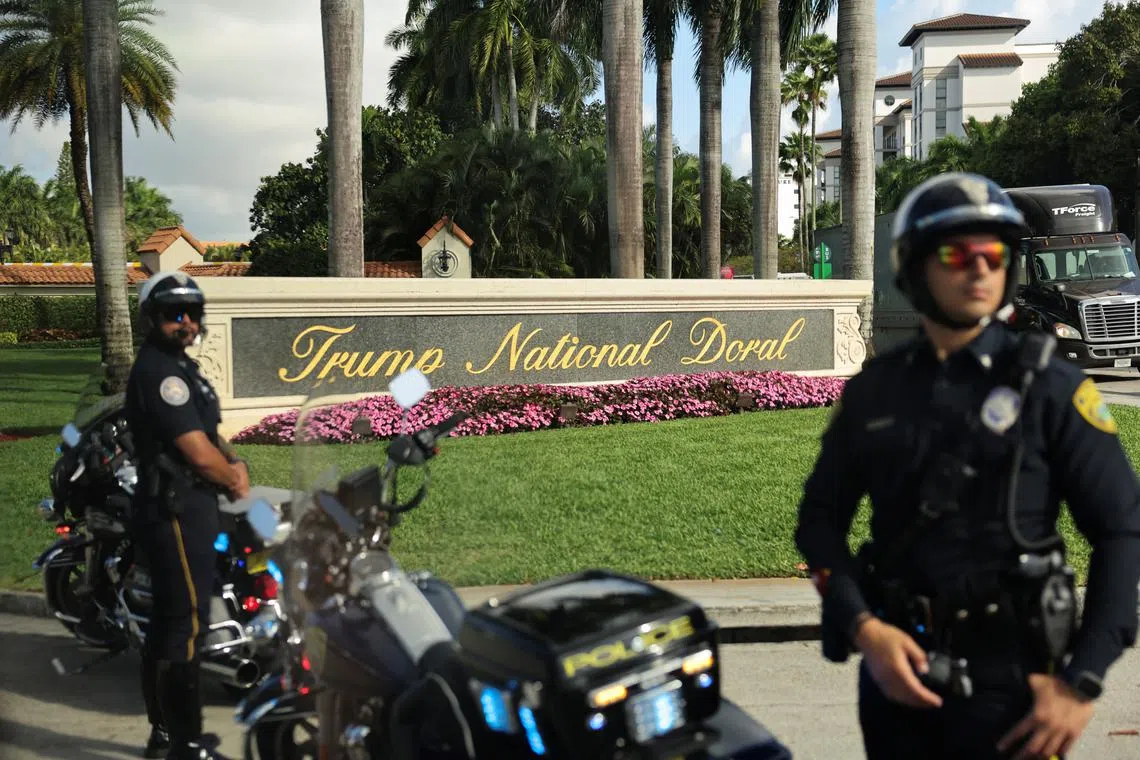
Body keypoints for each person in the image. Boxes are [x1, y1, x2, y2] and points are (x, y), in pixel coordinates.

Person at [794, 172, 1140, 760]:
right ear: (915, 267)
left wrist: (1081, 680)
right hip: (898, 676)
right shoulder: (874, 392)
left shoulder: (1052, 388)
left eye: (994, 254)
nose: (979, 268)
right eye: (957, 254)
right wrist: (864, 628)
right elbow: (819, 523)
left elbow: (1121, 531)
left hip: (1019, 683)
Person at [125, 271, 249, 759]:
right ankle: (186, 744)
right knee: (186, 627)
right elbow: (196, 451)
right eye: (174, 313)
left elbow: (208, 433)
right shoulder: (162, 373)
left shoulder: (181, 367)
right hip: (176, 508)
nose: (186, 322)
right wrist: (231, 476)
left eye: (193, 313)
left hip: (186, 504)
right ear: (151, 318)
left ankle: (163, 736)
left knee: (169, 622)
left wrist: (234, 459)